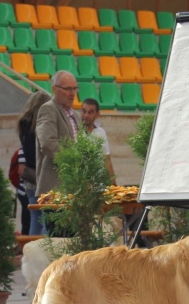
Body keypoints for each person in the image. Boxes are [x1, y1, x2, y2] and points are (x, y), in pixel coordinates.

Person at [36, 71, 82, 235]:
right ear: (55, 89)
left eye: (74, 89)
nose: (72, 93)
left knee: (72, 237)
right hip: (55, 187)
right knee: (58, 238)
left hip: (73, 187)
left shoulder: (74, 115)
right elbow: (48, 144)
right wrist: (71, 162)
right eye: (67, 89)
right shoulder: (48, 109)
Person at [18, 90, 51, 236]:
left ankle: (33, 253)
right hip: (43, 176)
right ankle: (44, 255)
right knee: (46, 219)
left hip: (30, 176)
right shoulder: (42, 126)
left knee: (34, 218)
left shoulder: (23, 126)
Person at [80, 98, 116, 183]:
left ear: (97, 114)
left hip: (97, 182)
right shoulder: (75, 131)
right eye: (84, 111)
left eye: (90, 112)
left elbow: (106, 159)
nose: (86, 115)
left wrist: (113, 184)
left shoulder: (101, 132)